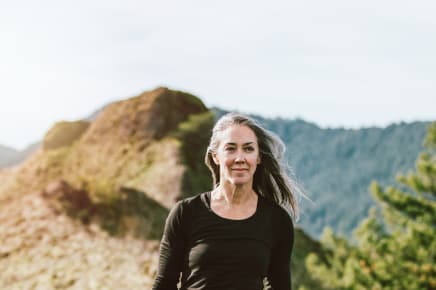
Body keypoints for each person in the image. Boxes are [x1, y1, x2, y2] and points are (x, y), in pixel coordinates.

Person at [152, 112, 300, 290]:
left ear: (258, 157)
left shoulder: (277, 220)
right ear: (216, 156)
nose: (240, 158)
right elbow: (164, 284)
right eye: (230, 148)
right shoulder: (186, 213)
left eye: (248, 149)